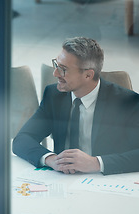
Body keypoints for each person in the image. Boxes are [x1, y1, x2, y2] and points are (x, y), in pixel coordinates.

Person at [13, 37, 139, 175]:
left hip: (103, 182)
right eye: (56, 65)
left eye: (63, 69)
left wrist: (96, 163)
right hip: (63, 181)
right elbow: (22, 140)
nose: (55, 73)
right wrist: (52, 159)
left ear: (88, 75)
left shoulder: (127, 101)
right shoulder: (54, 95)